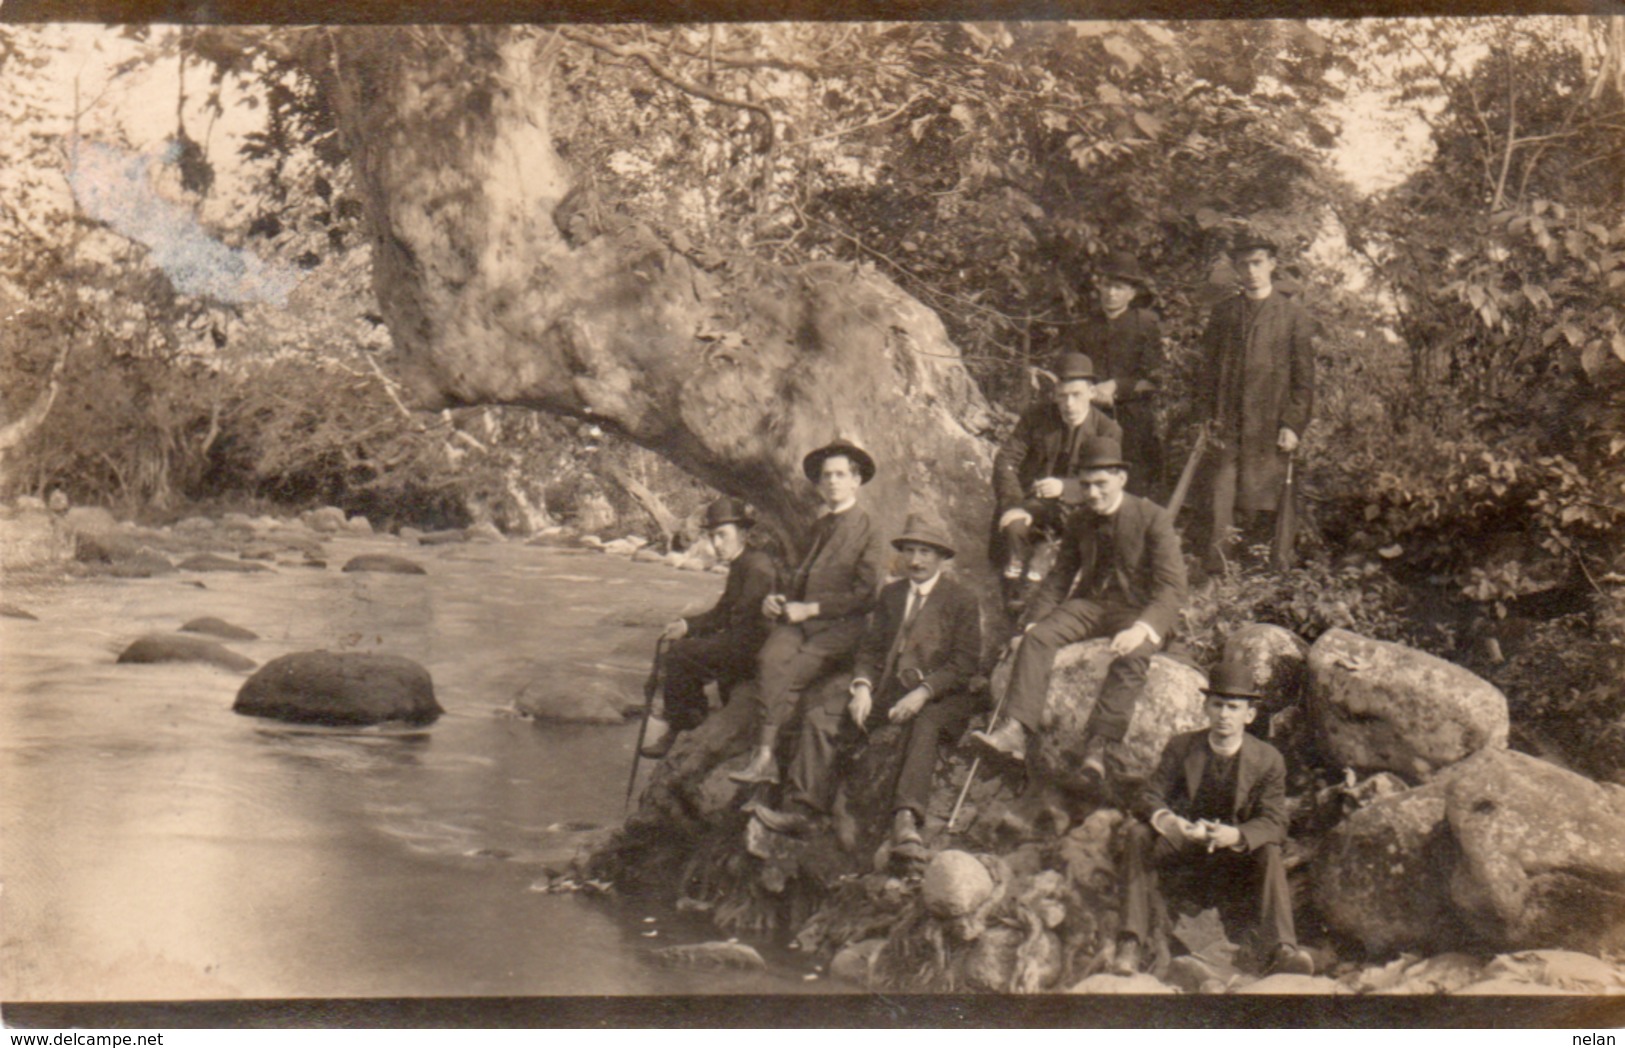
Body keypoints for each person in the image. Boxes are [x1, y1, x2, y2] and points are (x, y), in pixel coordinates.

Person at [751, 513, 983, 848]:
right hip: (889, 689)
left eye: (926, 553)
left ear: (942, 558)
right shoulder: (891, 594)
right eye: (911, 551)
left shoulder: (961, 600)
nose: (916, 560)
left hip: (939, 695)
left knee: (924, 726)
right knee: (822, 718)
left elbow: (965, 663)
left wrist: (922, 693)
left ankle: (906, 818)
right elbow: (871, 651)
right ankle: (804, 810)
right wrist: (862, 688)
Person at [970, 436, 1186, 787]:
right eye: (1085, 485)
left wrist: (1142, 628)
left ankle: (1099, 747)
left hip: (1137, 609)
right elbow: (1059, 578)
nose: (1093, 493)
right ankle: (1016, 732)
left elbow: (1173, 588)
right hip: (1091, 606)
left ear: (1121, 478)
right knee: (1038, 639)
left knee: (1134, 653)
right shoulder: (1080, 520)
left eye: (1101, 484)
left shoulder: (1152, 518)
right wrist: (1033, 622)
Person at [1109, 661, 1315, 978]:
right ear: (1205, 707)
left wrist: (1236, 836)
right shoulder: (1182, 747)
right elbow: (1148, 796)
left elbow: (1275, 822)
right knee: (1139, 833)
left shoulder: (1267, 759)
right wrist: (1171, 823)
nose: (1224, 715)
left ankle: (1282, 949)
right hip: (1186, 855)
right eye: (1217, 705)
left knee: (1270, 849)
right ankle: (1130, 943)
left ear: (1249, 714)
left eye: (1233, 707)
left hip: (1234, 865)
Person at [729, 440, 888, 786]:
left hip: (841, 628)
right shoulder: (817, 527)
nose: (832, 481)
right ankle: (767, 761)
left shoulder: (869, 528)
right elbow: (795, 577)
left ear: (855, 480)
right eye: (826, 476)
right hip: (800, 622)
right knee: (769, 661)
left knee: (790, 676)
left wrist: (812, 609)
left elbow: (866, 594)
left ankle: (767, 759)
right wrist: (776, 599)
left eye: (840, 475)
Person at [1198, 230, 1315, 572]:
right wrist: (1207, 416)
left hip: (1270, 424)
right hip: (1228, 424)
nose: (1251, 271)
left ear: (1272, 265)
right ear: (1236, 268)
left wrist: (1293, 424)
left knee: (1269, 500)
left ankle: (1270, 573)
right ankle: (1218, 573)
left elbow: (1304, 380)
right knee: (1222, 497)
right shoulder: (1224, 314)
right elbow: (1206, 372)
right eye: (1243, 264)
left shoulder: (1292, 316)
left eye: (1257, 263)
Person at [639, 496, 778, 759]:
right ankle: (688, 724)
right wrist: (686, 625)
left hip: (756, 648)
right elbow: (722, 611)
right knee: (683, 648)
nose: (716, 544)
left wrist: (699, 638)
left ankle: (683, 728)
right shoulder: (742, 563)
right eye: (713, 536)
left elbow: (745, 623)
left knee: (679, 656)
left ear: (744, 533)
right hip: (743, 642)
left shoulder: (757, 567)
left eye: (722, 535)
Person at [991, 352, 1124, 610]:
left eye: (1076, 395)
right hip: (1032, 504)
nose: (1069, 404)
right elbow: (1005, 460)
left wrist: (1066, 487)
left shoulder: (1107, 429)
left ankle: (1038, 585)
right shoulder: (1036, 417)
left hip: (1080, 509)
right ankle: (1012, 595)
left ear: (1092, 393)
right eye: (1062, 396)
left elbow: (1107, 483)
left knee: (1065, 553)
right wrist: (1013, 504)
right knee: (1014, 530)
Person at [1076, 252, 1164, 498]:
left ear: (1131, 293)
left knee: (1133, 482)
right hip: (1091, 413)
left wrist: (1117, 386)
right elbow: (1072, 369)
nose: (1111, 293)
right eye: (1107, 286)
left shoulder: (1145, 324)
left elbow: (1154, 379)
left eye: (1119, 287)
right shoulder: (1085, 326)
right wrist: (1091, 391)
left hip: (1133, 418)